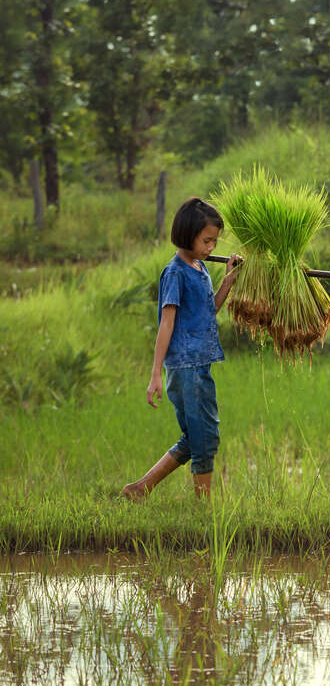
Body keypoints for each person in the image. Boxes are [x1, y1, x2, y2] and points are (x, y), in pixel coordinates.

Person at [122, 198, 242, 501]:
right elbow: (167, 323)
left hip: (200, 364)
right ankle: (203, 508)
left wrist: (229, 279)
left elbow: (208, 309)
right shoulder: (175, 272)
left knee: (195, 437)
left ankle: (140, 489)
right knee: (204, 439)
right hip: (186, 367)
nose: (212, 247)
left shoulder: (199, 267)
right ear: (187, 234)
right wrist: (155, 374)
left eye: (215, 240)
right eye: (207, 240)